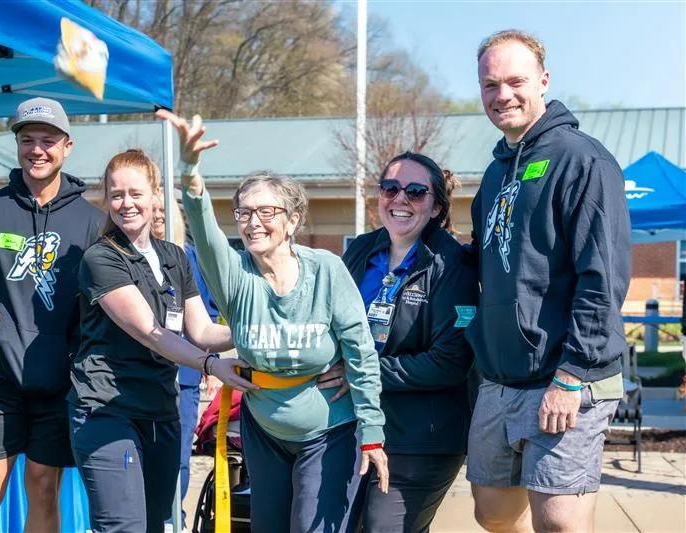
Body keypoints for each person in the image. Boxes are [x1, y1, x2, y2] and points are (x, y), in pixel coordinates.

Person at [157, 109, 388, 533]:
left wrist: (372, 431)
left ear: (292, 220)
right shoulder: (235, 275)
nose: (253, 222)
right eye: (244, 213)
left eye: (266, 211)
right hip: (263, 431)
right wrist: (190, 170)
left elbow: (360, 350)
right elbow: (204, 228)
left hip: (330, 429)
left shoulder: (326, 270)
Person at [465, 30, 631, 532]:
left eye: (515, 80)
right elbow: (485, 267)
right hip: (500, 379)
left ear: (544, 80)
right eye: (490, 84)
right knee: (492, 514)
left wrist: (571, 375)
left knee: (559, 521)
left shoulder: (582, 160)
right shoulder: (495, 175)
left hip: (567, 376)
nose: (502, 95)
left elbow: (602, 278)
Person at [0, 97, 105, 532]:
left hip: (60, 382)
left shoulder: (92, 222)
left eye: (48, 141)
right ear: (17, 145)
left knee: (43, 489)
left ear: (67, 146)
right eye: (27, 140)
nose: (37, 149)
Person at [68, 149, 254, 533]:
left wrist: (258, 327)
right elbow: (152, 333)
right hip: (107, 411)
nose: (126, 203)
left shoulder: (174, 257)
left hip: (160, 412)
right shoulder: (100, 258)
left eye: (136, 193)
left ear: (156, 196)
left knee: (157, 524)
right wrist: (210, 365)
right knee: (124, 527)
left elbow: (203, 332)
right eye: (116, 194)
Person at [341, 152, 477, 532]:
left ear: (436, 207)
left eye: (416, 192)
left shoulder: (452, 265)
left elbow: (450, 361)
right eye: (390, 188)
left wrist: (359, 373)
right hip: (350, 427)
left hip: (420, 439)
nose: (400, 199)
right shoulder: (360, 251)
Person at [150, 190, 222, 528]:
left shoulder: (191, 259)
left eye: (165, 212)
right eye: (154, 211)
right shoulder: (130, 258)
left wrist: (210, 358)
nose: (159, 218)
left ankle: (171, 518)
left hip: (184, 375)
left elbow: (207, 314)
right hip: (142, 372)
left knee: (178, 454)